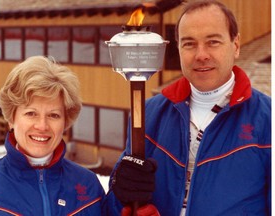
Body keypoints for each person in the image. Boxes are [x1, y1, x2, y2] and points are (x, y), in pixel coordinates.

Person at [106, 0, 271, 215]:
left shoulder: (267, 120)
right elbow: (117, 207)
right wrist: (121, 193)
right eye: (189, 44)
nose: (201, 55)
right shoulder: (150, 114)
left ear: (236, 45)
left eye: (213, 42)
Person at [0, 56, 106, 215]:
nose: (42, 126)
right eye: (31, 113)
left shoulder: (88, 186)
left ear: (66, 122)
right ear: (11, 119)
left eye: (53, 115)